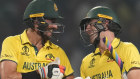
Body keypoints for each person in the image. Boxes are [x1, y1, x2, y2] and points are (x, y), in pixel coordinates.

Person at [0, 0, 74, 79]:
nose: (55, 26)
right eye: (51, 21)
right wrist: (41, 73)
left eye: (54, 22)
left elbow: (70, 77)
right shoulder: (12, 42)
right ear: (36, 21)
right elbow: (7, 76)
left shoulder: (59, 52)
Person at [79, 6, 140, 79]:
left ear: (105, 23)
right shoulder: (86, 61)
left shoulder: (127, 49)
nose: (86, 29)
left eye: (90, 23)